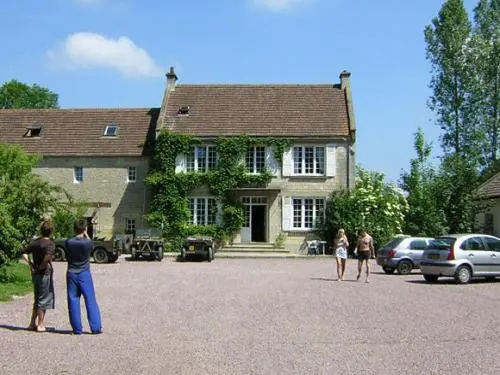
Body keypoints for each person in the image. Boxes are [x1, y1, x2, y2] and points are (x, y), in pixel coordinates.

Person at [65, 219, 102, 335]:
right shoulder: (87, 242)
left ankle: (77, 328)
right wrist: (87, 234)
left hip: (72, 272)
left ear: (74, 228)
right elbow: (91, 246)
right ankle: (95, 327)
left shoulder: (69, 242)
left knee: (73, 300)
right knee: (90, 300)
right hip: (84, 272)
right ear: (85, 228)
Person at [21, 220, 55, 332]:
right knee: (43, 299)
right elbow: (47, 258)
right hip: (44, 273)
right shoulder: (49, 244)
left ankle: (32, 323)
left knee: (37, 298)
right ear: (51, 231)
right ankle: (40, 324)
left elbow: (23, 252)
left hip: (35, 273)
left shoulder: (35, 242)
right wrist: (41, 267)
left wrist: (30, 264)